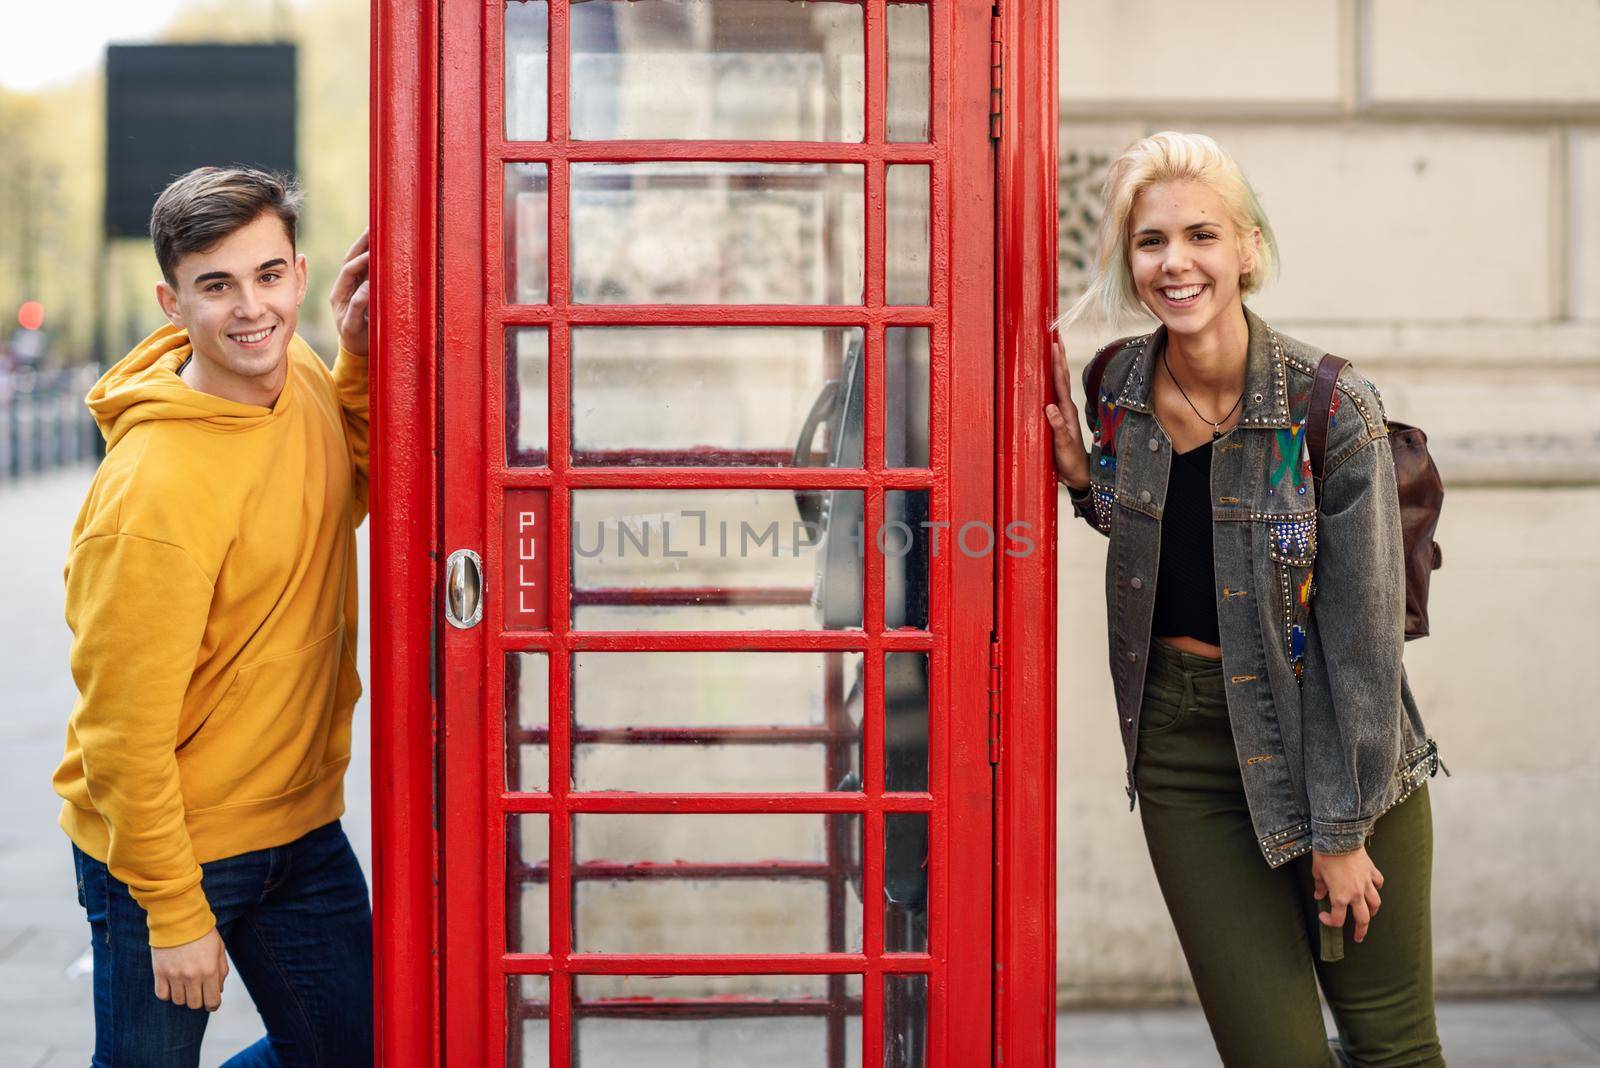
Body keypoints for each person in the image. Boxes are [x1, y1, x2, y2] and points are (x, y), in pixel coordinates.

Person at [1045, 132, 1447, 1067]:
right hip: (1184, 753)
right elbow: (1182, 546)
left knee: (1392, 1049)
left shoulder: (1328, 406)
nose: (1175, 263)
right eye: (1151, 242)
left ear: (1248, 250)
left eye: (1201, 236)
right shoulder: (1118, 386)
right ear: (1129, 259)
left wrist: (1340, 831)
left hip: (1335, 742)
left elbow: (1362, 637)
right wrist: (1082, 481)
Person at [52, 166, 374, 1067]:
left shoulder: (302, 371)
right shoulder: (150, 494)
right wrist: (176, 912)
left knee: (363, 1050)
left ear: (300, 274)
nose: (251, 310)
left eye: (268, 275)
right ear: (172, 301)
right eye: (216, 285)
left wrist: (357, 356)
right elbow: (120, 737)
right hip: (169, 848)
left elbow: (341, 490)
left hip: (298, 828)